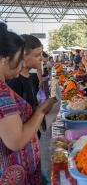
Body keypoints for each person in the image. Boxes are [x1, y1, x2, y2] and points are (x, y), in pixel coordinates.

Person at [0, 23, 56, 184]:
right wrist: (40, 112)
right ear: (4, 59)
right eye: (19, 58)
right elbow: (16, 141)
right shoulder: (3, 91)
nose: (21, 63)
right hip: (13, 175)